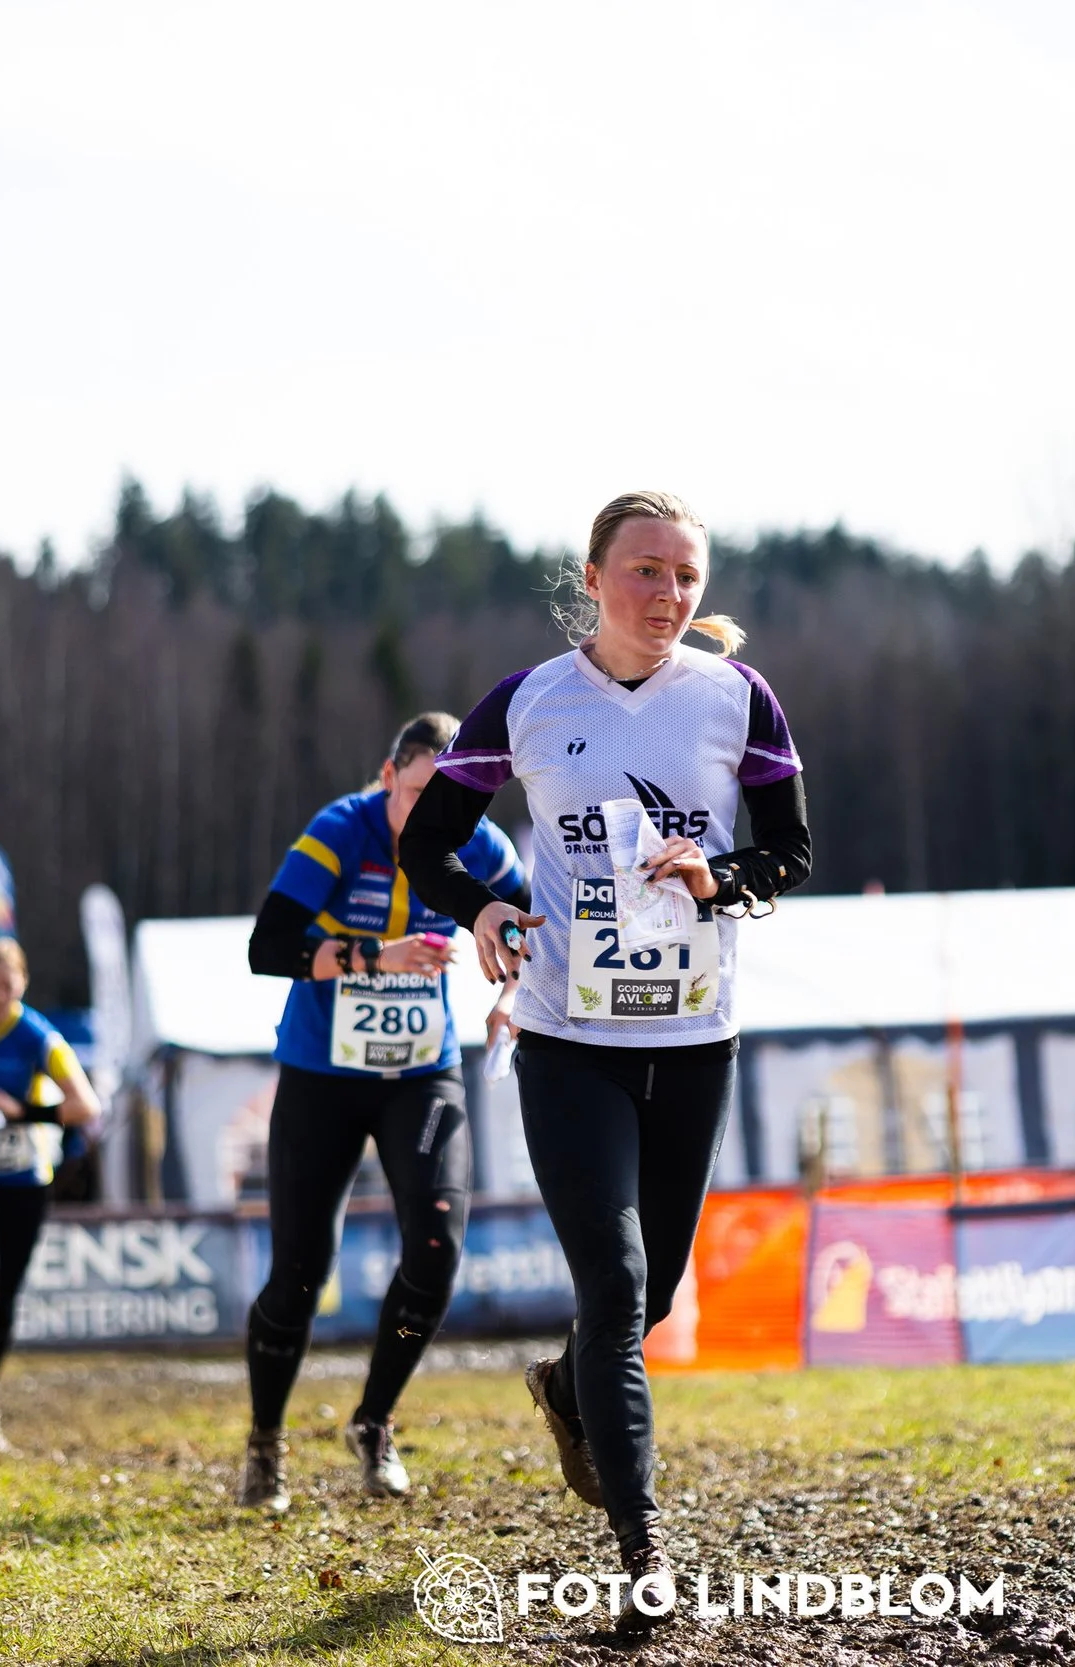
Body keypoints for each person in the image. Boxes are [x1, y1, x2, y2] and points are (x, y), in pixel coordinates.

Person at [400, 489, 810, 1633]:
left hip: (692, 1037)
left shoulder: (736, 697)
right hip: (568, 1037)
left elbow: (790, 850)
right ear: (593, 578)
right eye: (644, 571)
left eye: (685, 575)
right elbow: (428, 840)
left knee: (652, 1289)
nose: (668, 595)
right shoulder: (531, 699)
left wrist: (717, 877)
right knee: (618, 1287)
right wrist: (483, 907)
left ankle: (567, 1387)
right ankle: (643, 1550)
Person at [238, 712, 529, 1508]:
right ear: (385, 778)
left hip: (419, 1074)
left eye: (450, 798)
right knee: (300, 1273)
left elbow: (538, 942)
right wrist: (373, 956)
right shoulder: (342, 829)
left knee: (437, 1243)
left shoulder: (482, 845)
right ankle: (266, 1439)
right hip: (322, 1074)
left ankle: (374, 1421)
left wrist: (509, 996)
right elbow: (268, 946)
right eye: (413, 795)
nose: (428, 815)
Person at [0, 937, 103, 1450]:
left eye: (7, 986)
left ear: (22, 984)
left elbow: (86, 1107)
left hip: (26, 1181)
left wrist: (20, 1112)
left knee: (5, 1295)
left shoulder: (37, 1036)